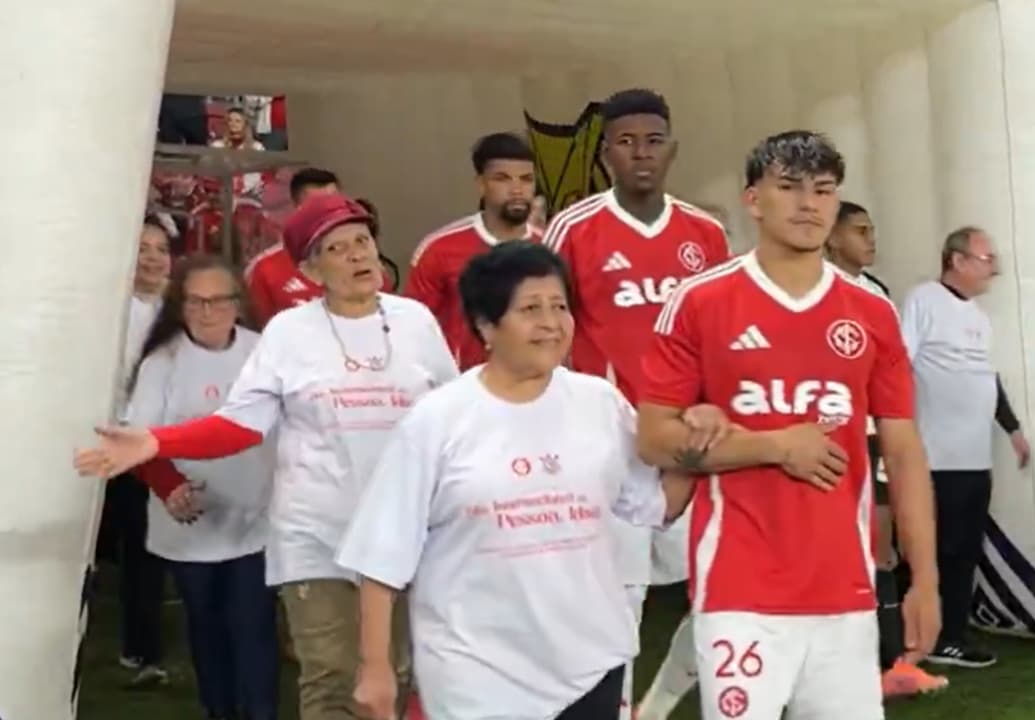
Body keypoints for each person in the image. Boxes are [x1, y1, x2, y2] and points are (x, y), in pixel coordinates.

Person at [75, 193, 460, 720]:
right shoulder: (289, 334)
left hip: (405, 533)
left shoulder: (415, 321)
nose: (357, 254)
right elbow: (241, 424)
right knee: (331, 677)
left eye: (362, 241)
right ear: (310, 270)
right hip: (318, 536)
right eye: (337, 248)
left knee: (395, 673)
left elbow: (449, 418)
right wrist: (157, 443)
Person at [636, 130, 940, 719]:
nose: (808, 204)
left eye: (823, 190)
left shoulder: (872, 312)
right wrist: (774, 446)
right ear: (753, 200)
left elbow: (903, 452)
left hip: (845, 589)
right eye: (790, 188)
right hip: (738, 590)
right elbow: (654, 439)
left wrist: (923, 581)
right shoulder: (701, 300)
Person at [337, 241, 704, 720]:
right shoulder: (438, 420)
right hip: (477, 673)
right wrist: (375, 667)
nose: (551, 323)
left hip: (590, 664)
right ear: (486, 326)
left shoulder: (600, 402)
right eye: (530, 309)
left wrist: (694, 443)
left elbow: (656, 505)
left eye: (559, 306)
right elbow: (381, 554)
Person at [538, 88, 731, 720]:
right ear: (605, 156)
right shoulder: (573, 229)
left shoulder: (705, 233)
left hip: (692, 443)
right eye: (625, 142)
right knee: (620, 603)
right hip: (612, 443)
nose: (641, 153)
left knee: (720, 593)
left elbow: (723, 335)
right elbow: (547, 327)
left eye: (653, 141)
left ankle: (655, 706)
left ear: (671, 149)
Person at [126, 253, 278, 720]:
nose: (207, 312)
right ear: (181, 306)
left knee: (253, 628)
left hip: (254, 522)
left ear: (238, 304)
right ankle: (219, 709)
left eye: (217, 301)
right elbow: (139, 439)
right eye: (195, 302)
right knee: (206, 626)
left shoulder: (263, 353)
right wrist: (169, 486)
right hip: (188, 527)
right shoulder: (162, 362)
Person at [825, 202, 948, 699]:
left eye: (872, 229)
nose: (871, 239)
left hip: (877, 436)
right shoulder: (814, 290)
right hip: (831, 441)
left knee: (882, 545)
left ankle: (891, 663)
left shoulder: (876, 294)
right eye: (860, 230)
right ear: (833, 237)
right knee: (834, 551)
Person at [899, 226, 1032, 670]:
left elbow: (988, 379)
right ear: (957, 260)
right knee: (932, 551)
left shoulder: (980, 318)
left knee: (965, 551)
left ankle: (952, 633)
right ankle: (920, 635)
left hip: (975, 458)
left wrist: (1012, 430)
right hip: (935, 458)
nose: (993, 268)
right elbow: (897, 367)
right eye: (986, 258)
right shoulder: (923, 301)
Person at [100, 214, 173, 686]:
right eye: (143, 248)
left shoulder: (178, 310)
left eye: (161, 249)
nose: (152, 258)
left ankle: (144, 650)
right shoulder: (107, 309)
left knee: (145, 548)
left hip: (156, 443)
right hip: (106, 436)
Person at [406, 132, 542, 370]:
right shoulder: (439, 249)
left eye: (526, 179)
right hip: (462, 383)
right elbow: (411, 329)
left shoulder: (553, 245)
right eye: (503, 179)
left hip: (538, 380)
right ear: (481, 184)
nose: (517, 189)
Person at [243, 168, 394, 327]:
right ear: (296, 208)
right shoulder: (264, 269)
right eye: (317, 206)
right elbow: (259, 332)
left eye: (334, 203)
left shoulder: (366, 262)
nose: (328, 212)